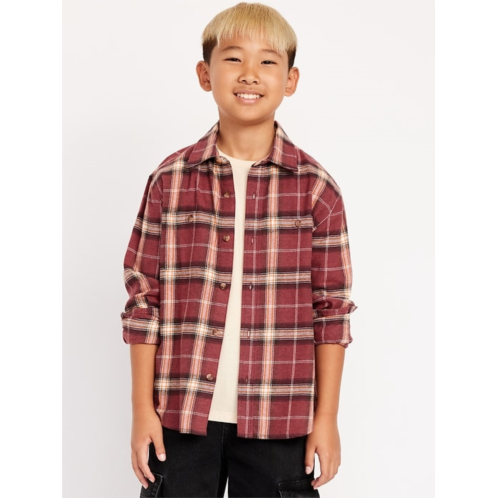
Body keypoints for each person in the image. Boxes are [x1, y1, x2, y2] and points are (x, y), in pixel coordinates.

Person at [121, 3, 357, 497]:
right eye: (233, 58)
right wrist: (142, 409)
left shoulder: (317, 190)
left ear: (290, 80)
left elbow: (331, 311)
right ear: (205, 74)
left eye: (267, 61)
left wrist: (327, 418)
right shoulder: (170, 181)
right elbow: (144, 300)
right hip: (181, 416)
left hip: (281, 418)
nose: (250, 73)